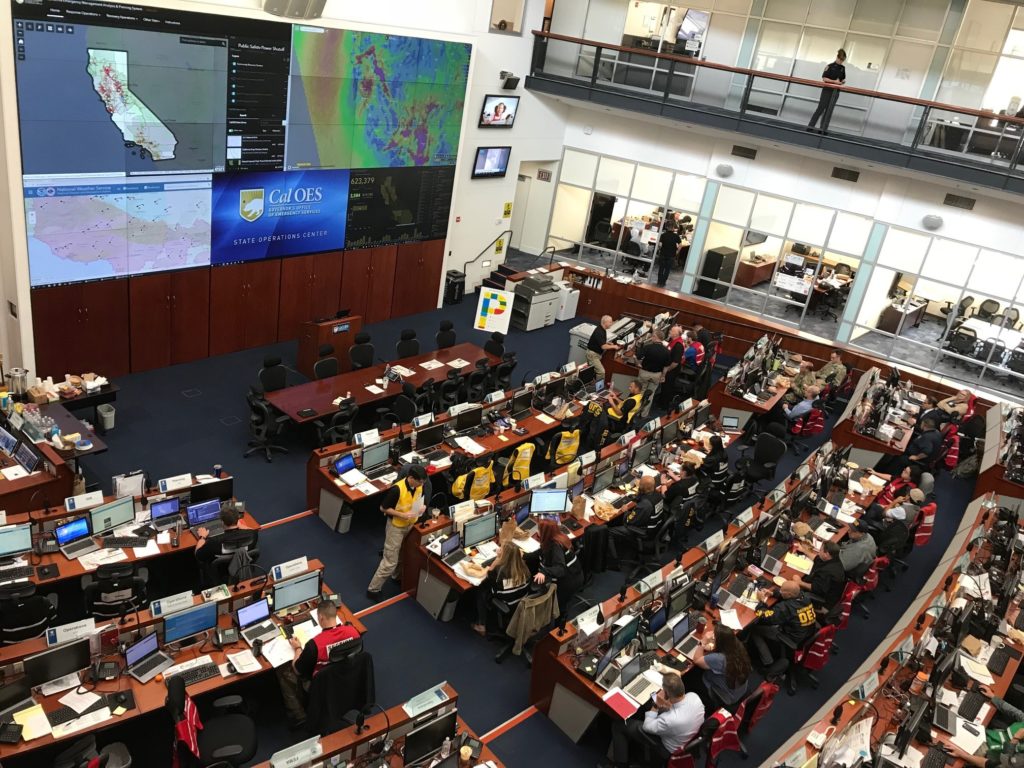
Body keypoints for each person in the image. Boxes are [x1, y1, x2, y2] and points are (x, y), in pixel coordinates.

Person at [277, 600, 361, 728]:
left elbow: (297, 670)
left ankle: (298, 716)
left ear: (321, 617)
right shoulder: (353, 632)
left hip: (320, 685)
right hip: (346, 677)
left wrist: (297, 648)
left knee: (283, 671)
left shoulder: (314, 645)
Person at [604, 672, 704, 768]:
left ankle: (620, 764)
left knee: (618, 725)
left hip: (666, 748)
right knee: (649, 705)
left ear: (666, 693)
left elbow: (647, 726)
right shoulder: (694, 697)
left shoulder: (670, 720)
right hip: (684, 734)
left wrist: (655, 705)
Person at [367, 464, 427, 601]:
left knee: (402, 553)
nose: (421, 485)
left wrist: (423, 506)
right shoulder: (397, 489)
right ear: (411, 478)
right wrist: (401, 515)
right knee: (390, 561)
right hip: (396, 527)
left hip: (410, 524)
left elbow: (419, 499)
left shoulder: (419, 486)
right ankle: (373, 589)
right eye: (420, 482)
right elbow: (383, 508)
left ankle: (396, 576)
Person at [745, 579, 817, 672]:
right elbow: (789, 596)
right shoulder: (804, 596)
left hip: (791, 637)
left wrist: (761, 601)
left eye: (782, 591)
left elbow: (764, 617)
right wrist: (772, 593)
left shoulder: (785, 608)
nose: (780, 592)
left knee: (754, 629)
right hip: (806, 632)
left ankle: (768, 661)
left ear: (789, 595)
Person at [471, 542, 530, 636]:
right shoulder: (523, 566)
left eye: (501, 549)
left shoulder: (500, 571)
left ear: (504, 555)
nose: (498, 549)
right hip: (521, 602)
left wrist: (497, 558)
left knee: (481, 590)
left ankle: (481, 625)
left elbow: (489, 574)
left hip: (508, 604)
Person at [690, 624, 753, 709]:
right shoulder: (737, 646)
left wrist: (703, 642)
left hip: (727, 695)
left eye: (714, 638)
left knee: (690, 677)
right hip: (740, 689)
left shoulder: (719, 658)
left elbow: (697, 660)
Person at [607, 475, 664, 567]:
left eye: (640, 484)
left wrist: (625, 511)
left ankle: (614, 563)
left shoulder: (645, 505)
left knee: (609, 531)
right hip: (656, 526)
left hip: (644, 532)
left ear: (643, 488)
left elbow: (629, 521)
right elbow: (642, 499)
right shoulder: (657, 494)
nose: (638, 485)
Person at [195, 505, 257, 586]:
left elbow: (198, 554)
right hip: (242, 567)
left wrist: (202, 537)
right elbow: (252, 530)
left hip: (222, 570)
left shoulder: (214, 542)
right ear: (238, 519)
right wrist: (242, 526)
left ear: (222, 522)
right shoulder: (252, 535)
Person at [535, 519, 584, 613]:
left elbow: (560, 569)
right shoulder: (560, 537)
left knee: (559, 606)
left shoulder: (555, 546)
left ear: (545, 532)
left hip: (568, 582)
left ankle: (560, 617)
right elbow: (543, 551)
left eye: (539, 530)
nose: (537, 531)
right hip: (576, 573)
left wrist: (544, 571)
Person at [795, 540, 845, 613]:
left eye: (821, 550)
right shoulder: (833, 559)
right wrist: (803, 550)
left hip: (822, 602)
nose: (819, 551)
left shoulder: (828, 571)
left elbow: (816, 588)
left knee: (791, 589)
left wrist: (799, 582)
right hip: (823, 589)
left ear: (827, 554)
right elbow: (817, 559)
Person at [806, 49, 846, 134]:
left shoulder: (843, 68)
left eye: (843, 60)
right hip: (827, 90)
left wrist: (842, 82)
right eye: (840, 60)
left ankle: (823, 129)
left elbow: (842, 79)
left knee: (829, 110)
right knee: (821, 108)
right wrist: (834, 82)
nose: (841, 62)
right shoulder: (829, 66)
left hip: (836, 91)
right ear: (837, 57)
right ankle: (810, 126)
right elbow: (824, 78)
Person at [636, 329, 670, 416]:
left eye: (652, 336)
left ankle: (636, 412)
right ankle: (644, 414)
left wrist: (639, 363)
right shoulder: (666, 351)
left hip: (645, 373)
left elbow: (638, 357)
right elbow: (666, 367)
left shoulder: (648, 347)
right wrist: (663, 376)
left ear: (655, 337)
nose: (651, 338)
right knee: (650, 394)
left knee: (640, 392)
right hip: (657, 375)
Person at [587, 315, 620, 381]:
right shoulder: (599, 331)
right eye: (610, 322)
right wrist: (614, 346)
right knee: (601, 372)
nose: (611, 323)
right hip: (593, 355)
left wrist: (607, 343)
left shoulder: (602, 329)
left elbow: (600, 341)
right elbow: (603, 346)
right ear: (605, 322)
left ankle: (593, 382)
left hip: (596, 354)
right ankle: (598, 386)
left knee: (593, 371)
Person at [656, 221, 682, 287]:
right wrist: (677, 251)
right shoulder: (676, 236)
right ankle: (663, 282)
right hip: (671, 255)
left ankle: (659, 282)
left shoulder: (663, 235)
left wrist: (659, 249)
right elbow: (680, 245)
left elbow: (660, 244)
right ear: (673, 228)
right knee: (667, 269)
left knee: (661, 268)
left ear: (667, 227)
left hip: (663, 254)